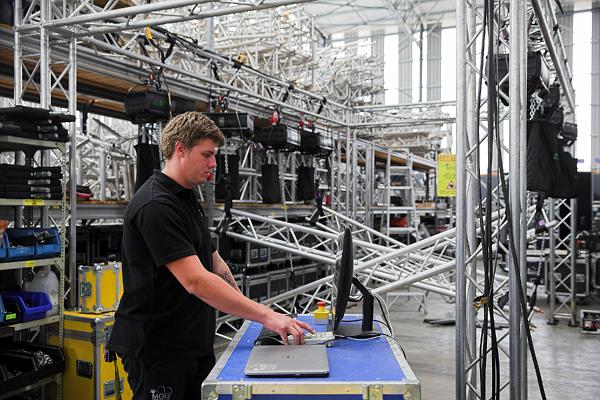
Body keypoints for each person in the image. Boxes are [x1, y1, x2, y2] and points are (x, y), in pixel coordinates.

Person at [107, 112, 314, 400]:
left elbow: (214, 263)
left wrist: (247, 315)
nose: (214, 163)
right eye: (206, 154)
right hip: (158, 349)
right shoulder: (156, 205)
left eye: (213, 155)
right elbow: (195, 281)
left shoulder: (186, 195)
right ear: (180, 149)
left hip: (191, 342)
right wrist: (265, 315)